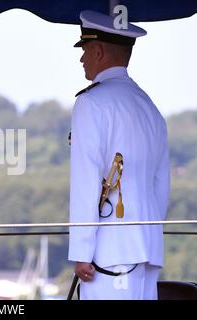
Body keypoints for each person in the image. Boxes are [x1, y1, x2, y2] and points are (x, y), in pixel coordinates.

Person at [68, 10, 170, 300]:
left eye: (85, 50)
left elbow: (86, 182)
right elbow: (161, 186)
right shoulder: (149, 106)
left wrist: (82, 251)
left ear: (98, 51)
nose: (81, 59)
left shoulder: (91, 103)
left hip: (110, 253)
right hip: (146, 250)